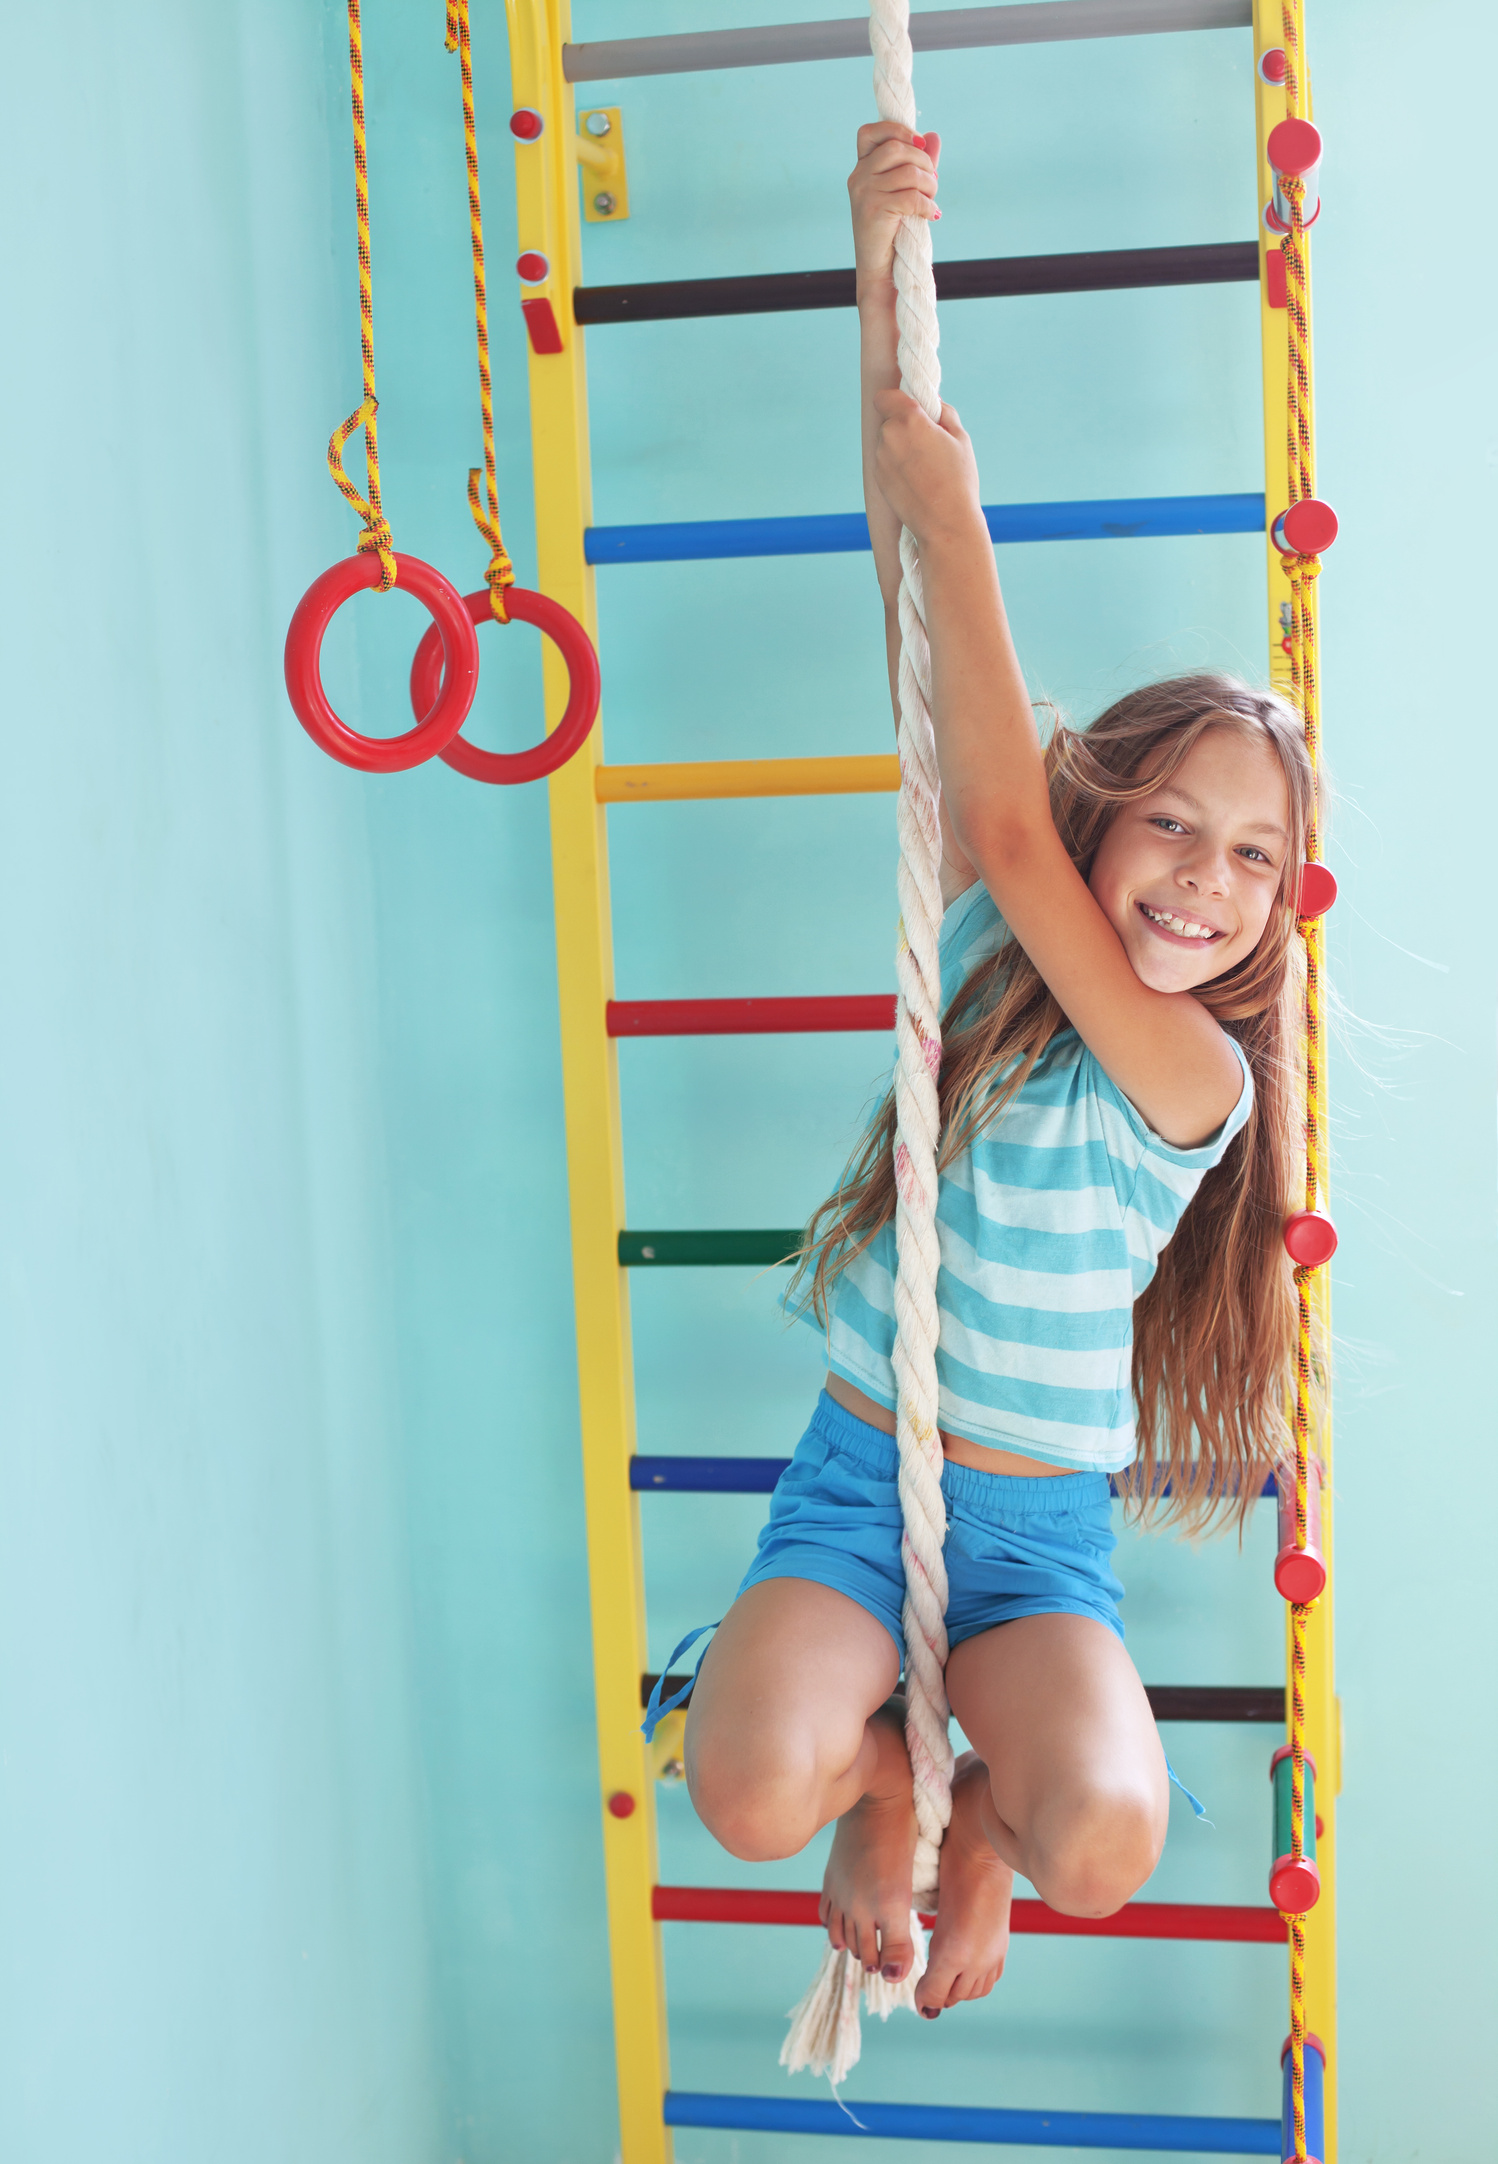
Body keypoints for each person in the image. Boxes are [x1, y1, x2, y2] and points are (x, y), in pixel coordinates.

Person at [679, 122, 1314, 2020]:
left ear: (1279, 909)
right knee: (745, 1794)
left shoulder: (1198, 1078)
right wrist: (878, 265)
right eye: (1177, 828)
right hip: (862, 1480)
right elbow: (898, 546)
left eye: (1253, 859)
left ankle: (963, 1808)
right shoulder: (983, 923)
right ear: (1111, 806)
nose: (1205, 880)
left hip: (1034, 1539)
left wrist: (964, 520)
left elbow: (1006, 792)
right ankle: (883, 1778)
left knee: (1108, 1846)